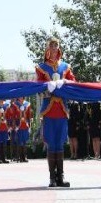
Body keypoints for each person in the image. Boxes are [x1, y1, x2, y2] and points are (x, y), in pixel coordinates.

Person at [35, 37, 76, 187]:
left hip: (62, 110)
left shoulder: (65, 66)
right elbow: (38, 88)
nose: (54, 49)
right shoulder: (41, 67)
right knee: (51, 144)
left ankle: (61, 176)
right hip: (48, 110)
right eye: (51, 46)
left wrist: (64, 82)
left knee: (59, 144)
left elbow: (73, 82)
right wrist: (47, 87)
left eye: (56, 46)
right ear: (47, 49)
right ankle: (52, 177)